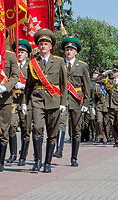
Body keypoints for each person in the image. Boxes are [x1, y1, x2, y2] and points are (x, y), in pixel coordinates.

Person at [24, 28, 67, 173]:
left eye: (46, 44)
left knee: (52, 132)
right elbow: (28, 85)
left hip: (54, 100)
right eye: (41, 44)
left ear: (51, 46)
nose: (43, 46)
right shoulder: (33, 63)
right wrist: (25, 102)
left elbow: (64, 85)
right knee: (37, 129)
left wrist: (63, 103)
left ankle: (47, 162)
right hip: (37, 100)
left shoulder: (59, 62)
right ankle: (37, 161)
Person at [0, 26, 20, 172]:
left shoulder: (11, 56)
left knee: (3, 129)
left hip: (4, 98)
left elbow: (15, 76)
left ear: (4, 39)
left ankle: (0, 161)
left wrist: (6, 87)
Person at [59, 36, 91, 166]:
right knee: (60, 124)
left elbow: (87, 86)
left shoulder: (82, 66)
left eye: (71, 49)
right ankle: (59, 149)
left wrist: (86, 104)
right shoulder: (60, 64)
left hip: (76, 100)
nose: (69, 52)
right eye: (67, 49)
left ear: (76, 52)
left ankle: (74, 158)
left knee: (75, 130)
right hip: (62, 100)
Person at [12, 39, 32, 166]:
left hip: (25, 100)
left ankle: (23, 156)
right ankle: (13, 153)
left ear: (27, 54)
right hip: (13, 100)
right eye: (18, 52)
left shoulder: (31, 66)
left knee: (26, 129)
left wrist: (24, 85)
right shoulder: (12, 65)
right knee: (11, 127)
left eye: (22, 52)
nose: (19, 54)